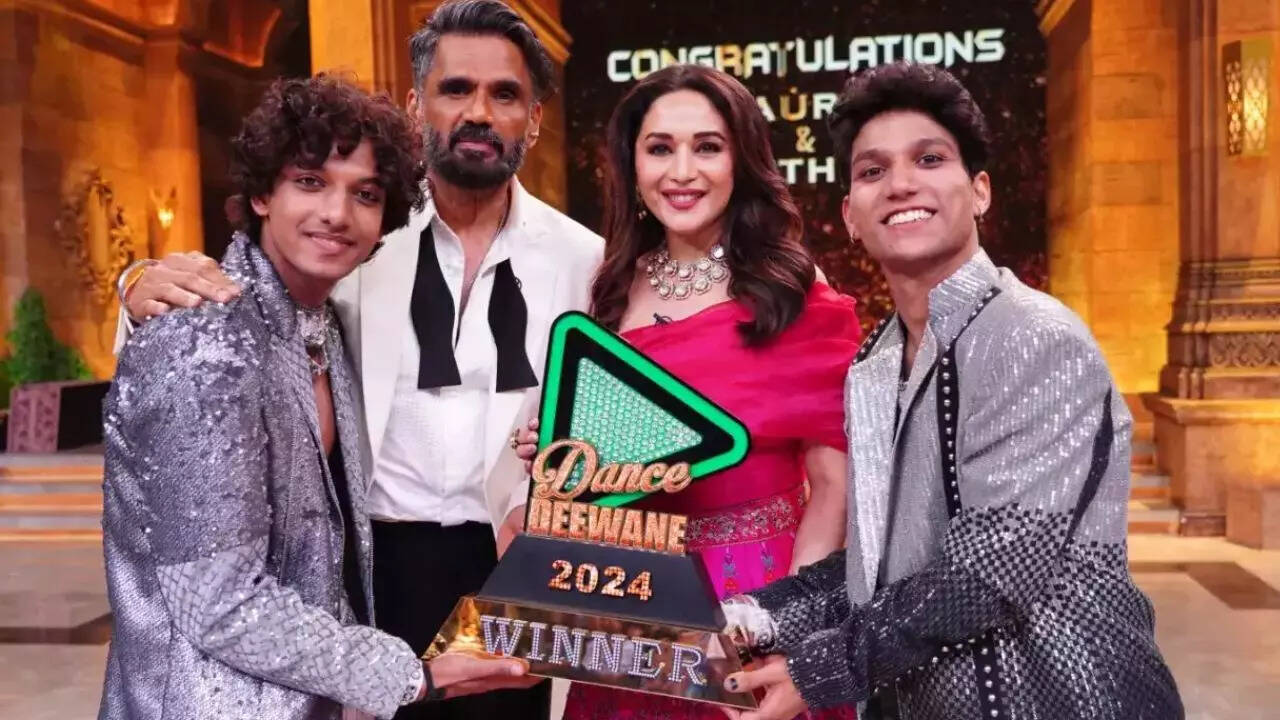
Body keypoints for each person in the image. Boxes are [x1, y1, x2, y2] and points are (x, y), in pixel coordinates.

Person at [114, 3, 602, 718]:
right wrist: (137, 291)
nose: (478, 112)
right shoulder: (360, 238)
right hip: (370, 567)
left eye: (504, 94)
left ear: (533, 119)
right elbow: (238, 309)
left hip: (514, 561)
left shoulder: (587, 260)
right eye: (455, 88)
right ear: (416, 104)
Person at [718, 62, 1183, 720]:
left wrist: (816, 671)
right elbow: (878, 571)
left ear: (980, 190)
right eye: (872, 170)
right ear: (850, 216)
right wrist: (748, 618)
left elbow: (990, 570)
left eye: (930, 159)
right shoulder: (875, 363)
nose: (901, 183)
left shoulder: (1034, 337)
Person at [512, 63, 861, 720]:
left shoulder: (792, 288)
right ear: (632, 165)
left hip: (756, 591)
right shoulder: (610, 285)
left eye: (707, 147)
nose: (682, 171)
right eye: (659, 148)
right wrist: (559, 455)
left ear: (741, 160)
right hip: (635, 601)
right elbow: (615, 463)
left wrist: (782, 623)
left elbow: (833, 488)